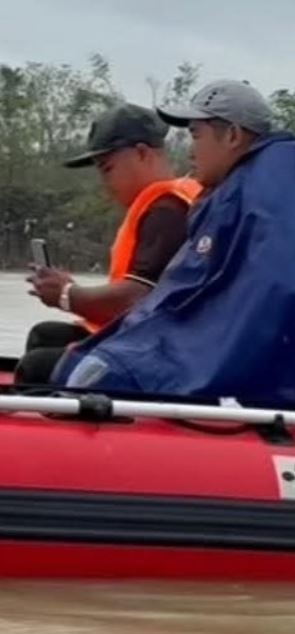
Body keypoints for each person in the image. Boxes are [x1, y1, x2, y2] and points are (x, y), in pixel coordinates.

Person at [53, 80, 295, 405]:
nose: (190, 151)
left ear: (234, 136)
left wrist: (123, 360)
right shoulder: (251, 188)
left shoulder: (248, 199)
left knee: (84, 372)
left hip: (268, 389)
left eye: (196, 135)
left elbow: (242, 311)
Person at [15, 104, 201, 384]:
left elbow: (137, 301)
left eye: (108, 168)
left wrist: (68, 295)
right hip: (148, 339)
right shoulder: (166, 203)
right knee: (45, 335)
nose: (104, 182)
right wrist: (70, 291)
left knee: (37, 366)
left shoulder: (167, 211)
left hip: (157, 350)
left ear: (142, 153)